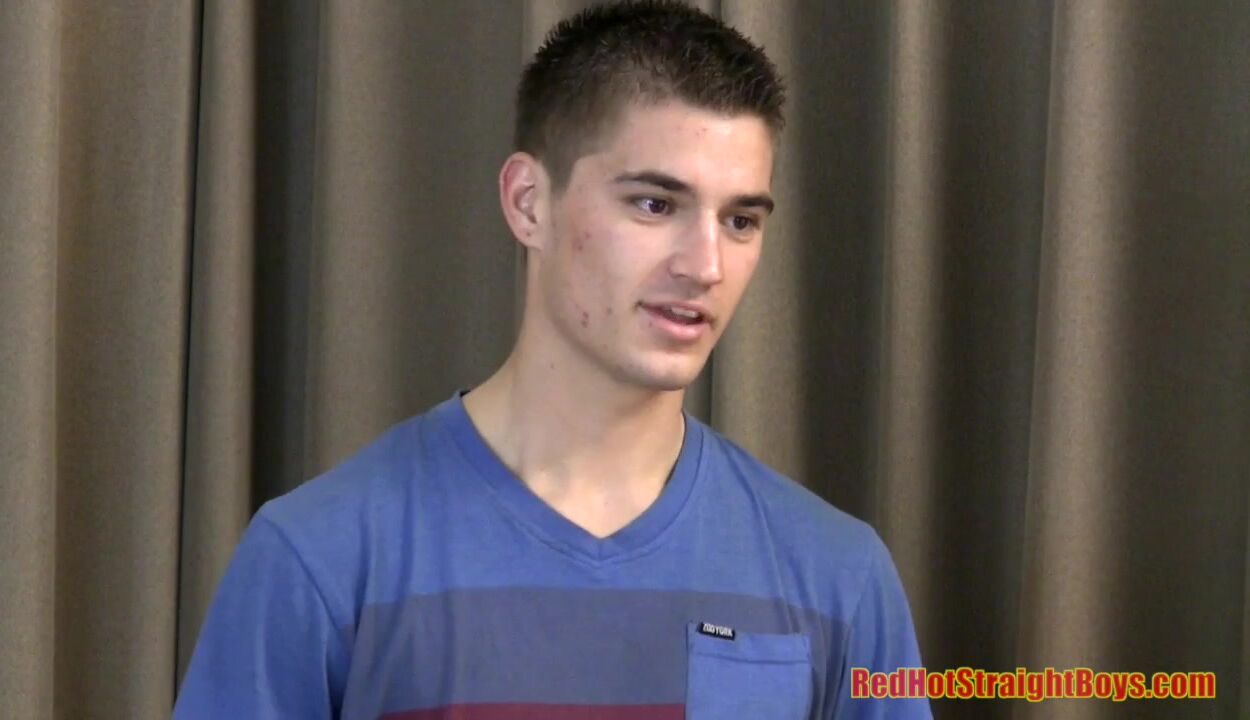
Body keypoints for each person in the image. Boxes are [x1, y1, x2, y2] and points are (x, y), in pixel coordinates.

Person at [173, 1, 930, 718]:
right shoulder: (318, 559)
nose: (706, 266)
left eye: (739, 220)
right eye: (655, 204)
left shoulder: (840, 578)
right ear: (529, 202)